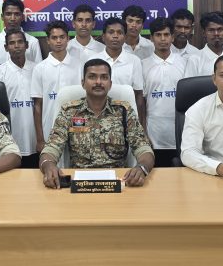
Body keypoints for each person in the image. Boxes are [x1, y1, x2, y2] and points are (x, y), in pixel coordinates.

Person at [39, 58, 155, 188]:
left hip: (117, 182)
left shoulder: (124, 110)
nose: (98, 82)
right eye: (92, 77)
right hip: (79, 183)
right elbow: (52, 148)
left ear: (110, 84)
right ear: (83, 83)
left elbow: (143, 148)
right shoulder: (69, 111)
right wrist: (48, 165)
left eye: (104, 77)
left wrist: (142, 168)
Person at [142, 18, 187, 167]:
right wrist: (143, 133)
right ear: (151, 38)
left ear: (172, 37)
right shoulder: (143, 64)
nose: (163, 39)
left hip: (181, 134)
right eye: (158, 35)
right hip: (154, 134)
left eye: (166, 35)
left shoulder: (185, 62)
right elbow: (141, 102)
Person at [32, 21, 81, 153]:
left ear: (68, 38)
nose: (58, 41)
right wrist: (40, 139)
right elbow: (37, 105)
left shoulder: (79, 65)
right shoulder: (40, 68)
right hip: (49, 128)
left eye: (62, 37)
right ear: (48, 40)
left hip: (76, 128)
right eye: (54, 38)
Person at [0, 30, 37, 168]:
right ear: (6, 48)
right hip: (11, 136)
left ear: (27, 45)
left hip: (35, 136)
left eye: (20, 42)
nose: (16, 46)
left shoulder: (37, 69)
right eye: (12, 43)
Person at [94, 17, 145, 122]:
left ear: (125, 37)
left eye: (120, 32)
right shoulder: (93, 61)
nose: (115, 36)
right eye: (111, 32)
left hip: (126, 118)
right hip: (98, 118)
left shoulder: (134, 61)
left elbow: (138, 95)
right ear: (103, 37)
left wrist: (141, 124)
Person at [0, 0, 42, 71]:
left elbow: (39, 70)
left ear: (22, 17)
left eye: (17, 14)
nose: (12, 18)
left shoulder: (33, 42)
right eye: (8, 14)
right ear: (2, 17)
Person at [185, 12, 223, 78]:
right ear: (204, 33)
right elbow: (189, 84)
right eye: (211, 30)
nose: (216, 34)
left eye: (220, 29)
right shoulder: (194, 60)